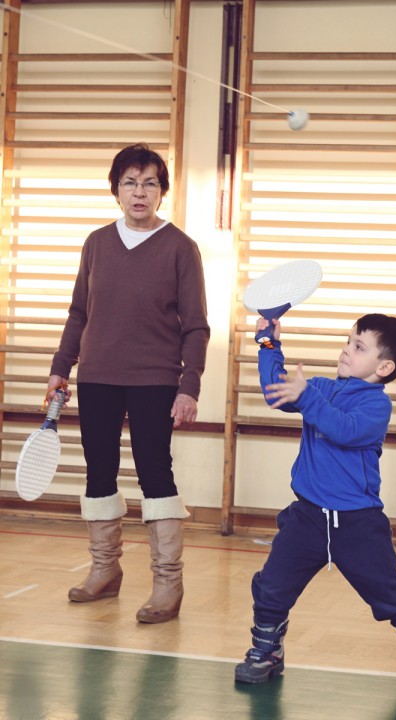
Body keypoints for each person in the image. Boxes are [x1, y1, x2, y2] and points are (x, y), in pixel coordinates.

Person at [46, 143, 210, 623]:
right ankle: (105, 571)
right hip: (97, 375)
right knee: (99, 472)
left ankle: (168, 584)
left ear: (162, 191)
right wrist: (61, 367)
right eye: (130, 183)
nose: (140, 192)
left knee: (155, 474)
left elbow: (196, 326)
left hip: (155, 380)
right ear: (116, 190)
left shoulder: (181, 248)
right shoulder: (96, 243)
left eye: (150, 183)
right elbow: (79, 312)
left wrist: (189, 386)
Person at [235, 313, 396, 686]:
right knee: (272, 586)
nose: (346, 350)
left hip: (357, 524)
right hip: (307, 518)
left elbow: (343, 429)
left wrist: (307, 397)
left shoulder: (376, 406)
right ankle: (267, 649)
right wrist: (268, 344)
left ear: (384, 367)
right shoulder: (319, 387)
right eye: (348, 341)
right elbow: (275, 391)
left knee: (389, 594)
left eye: (359, 347)